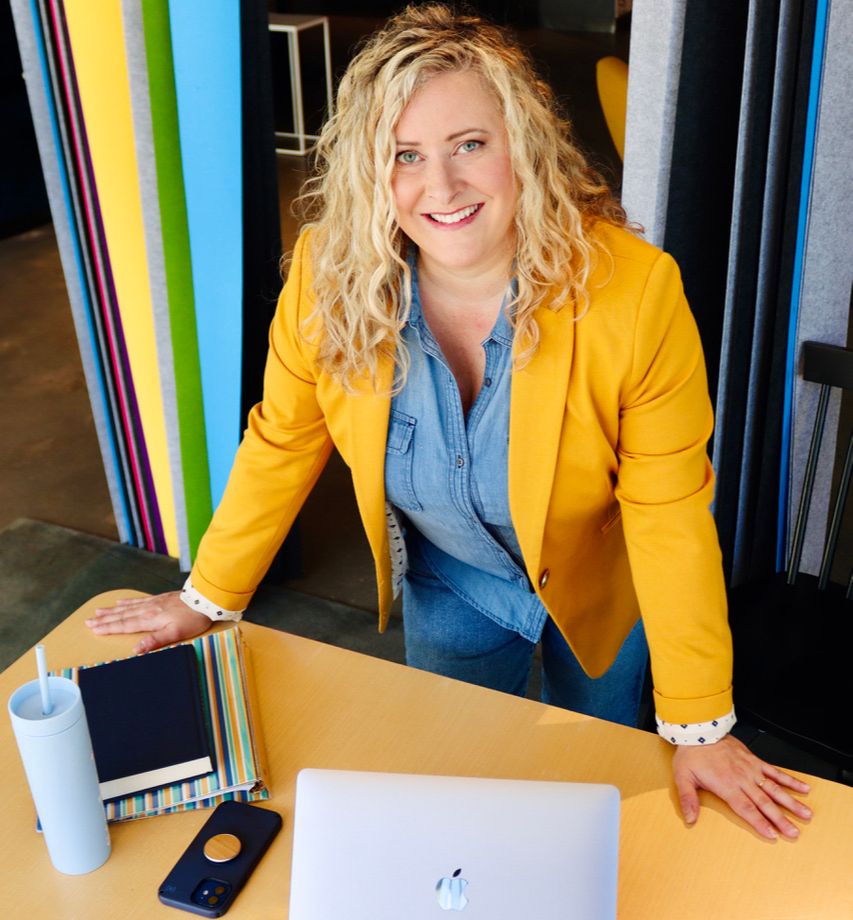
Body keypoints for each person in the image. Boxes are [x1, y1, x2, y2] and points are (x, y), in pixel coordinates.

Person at [86, 4, 811, 839]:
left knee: (602, 784)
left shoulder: (633, 292)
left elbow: (667, 505)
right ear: (371, 171)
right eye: (404, 156)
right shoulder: (331, 277)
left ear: (523, 145)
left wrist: (698, 722)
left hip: (598, 581)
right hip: (450, 581)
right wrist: (208, 600)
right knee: (460, 790)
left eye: (469, 144)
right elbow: (283, 439)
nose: (441, 187)